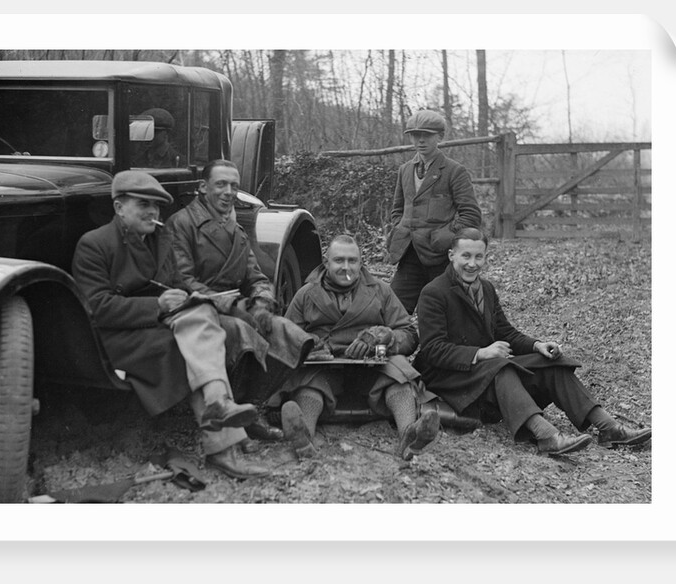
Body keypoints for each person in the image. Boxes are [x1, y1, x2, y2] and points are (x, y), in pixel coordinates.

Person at [71, 170, 270, 479]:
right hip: (117, 337)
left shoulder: (161, 238)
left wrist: (188, 297)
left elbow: (177, 282)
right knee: (188, 346)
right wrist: (158, 305)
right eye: (143, 204)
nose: (152, 212)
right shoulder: (94, 244)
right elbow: (96, 308)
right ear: (118, 207)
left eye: (156, 206)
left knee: (203, 315)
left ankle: (219, 403)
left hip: (160, 323)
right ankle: (223, 445)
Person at [414, 227, 652, 455]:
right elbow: (434, 350)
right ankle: (546, 435)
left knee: (549, 362)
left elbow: (505, 332)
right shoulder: (433, 292)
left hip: (485, 374)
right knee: (502, 367)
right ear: (451, 255)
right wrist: (481, 353)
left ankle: (609, 428)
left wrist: (536, 345)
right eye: (465, 256)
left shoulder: (485, 289)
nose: (472, 263)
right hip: (450, 379)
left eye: (479, 257)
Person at [165, 159, 316, 439]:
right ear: (202, 187)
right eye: (220, 184)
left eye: (234, 186)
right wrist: (231, 305)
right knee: (241, 331)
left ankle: (252, 408)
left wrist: (260, 301)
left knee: (288, 333)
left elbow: (256, 276)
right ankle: (231, 419)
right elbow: (182, 280)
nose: (228, 192)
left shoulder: (236, 230)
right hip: (198, 308)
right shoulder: (182, 224)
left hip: (236, 307)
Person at [266, 234, 441, 461]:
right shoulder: (306, 294)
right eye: (339, 261)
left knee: (399, 372)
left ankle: (410, 434)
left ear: (361, 263)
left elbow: (409, 335)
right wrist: (308, 343)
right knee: (308, 383)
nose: (346, 267)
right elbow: (285, 337)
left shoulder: (380, 291)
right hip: (324, 370)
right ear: (326, 262)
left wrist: (384, 337)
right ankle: (303, 438)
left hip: (372, 368)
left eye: (352, 261)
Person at [386, 109, 482, 314]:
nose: (420, 140)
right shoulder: (405, 170)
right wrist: (400, 228)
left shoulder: (454, 171)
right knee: (392, 313)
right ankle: (397, 345)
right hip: (408, 253)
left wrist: (445, 237)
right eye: (415, 135)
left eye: (427, 135)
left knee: (441, 313)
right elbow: (397, 209)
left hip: (439, 257)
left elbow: (471, 215)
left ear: (440, 137)